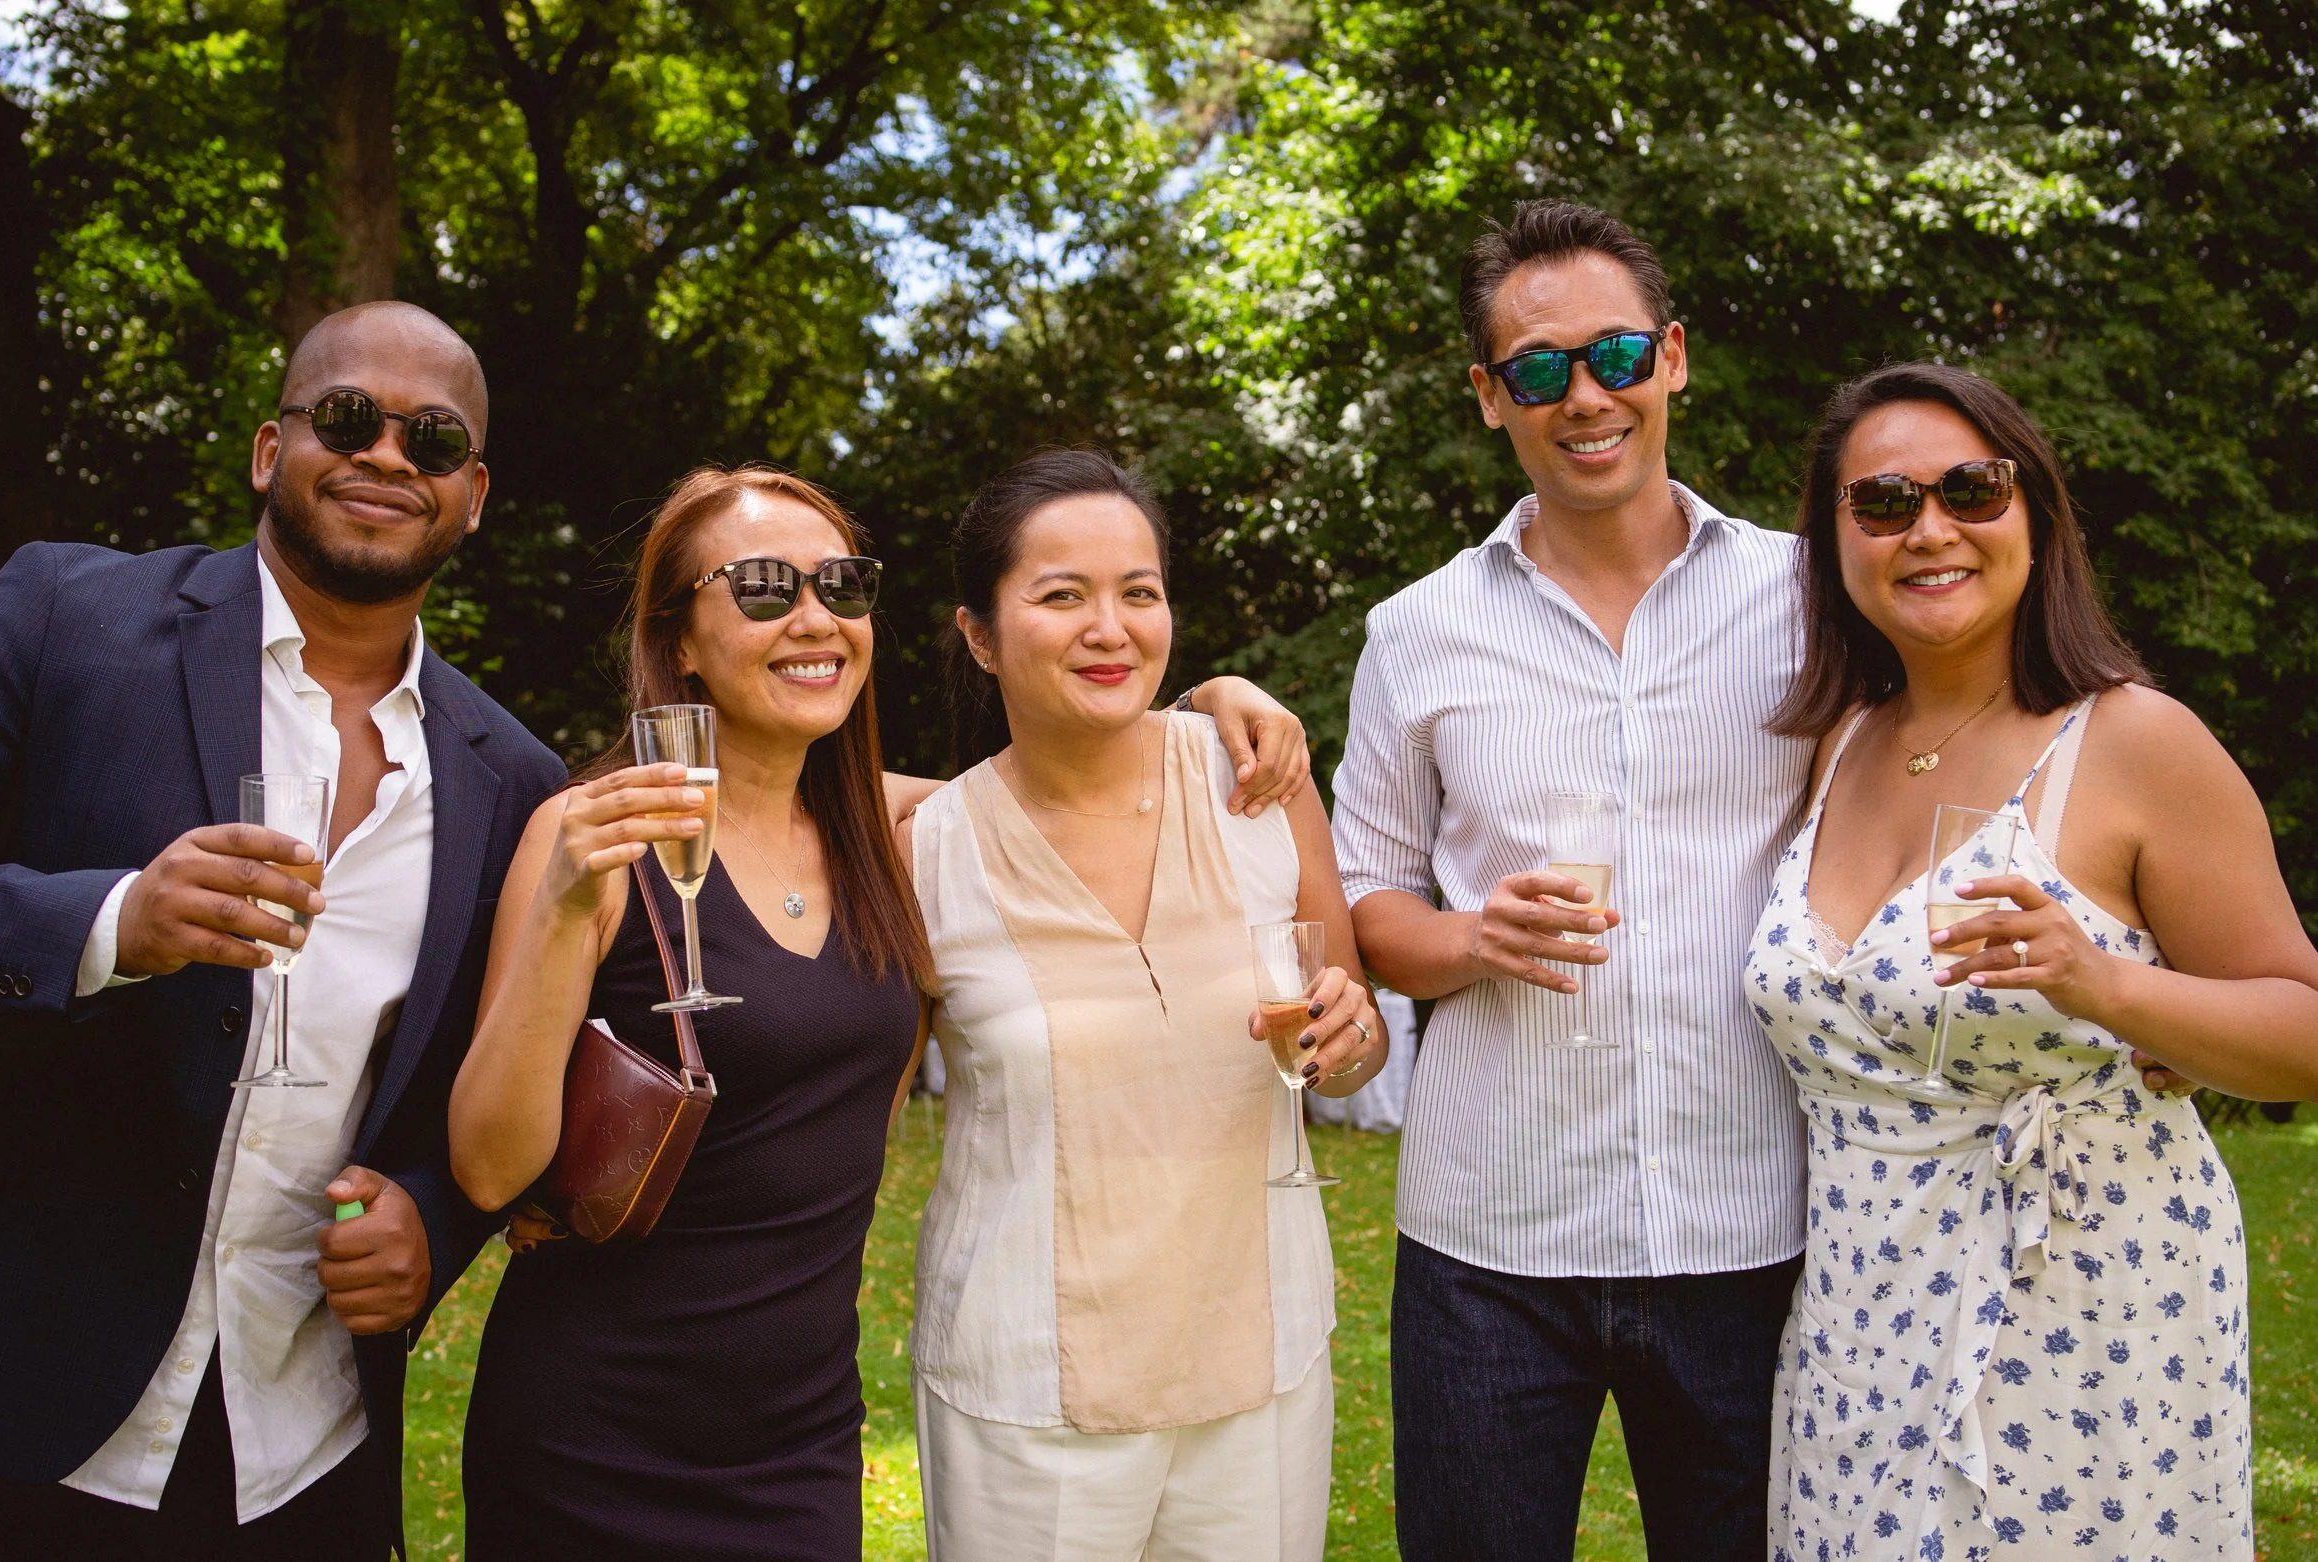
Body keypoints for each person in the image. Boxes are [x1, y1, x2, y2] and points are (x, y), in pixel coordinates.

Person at [446, 463, 1312, 1560]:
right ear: (679, 642)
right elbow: (487, 1166)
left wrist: (1206, 699)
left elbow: (1065, 773)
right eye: (763, 587)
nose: (815, 618)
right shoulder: (592, 837)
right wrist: (566, 913)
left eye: (841, 586)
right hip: (598, 1427)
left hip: (798, 1433)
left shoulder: (893, 831)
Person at [0, 300, 567, 1559]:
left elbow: (493, 1067)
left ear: (473, 492)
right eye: (347, 417)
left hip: (299, 1444)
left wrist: (436, 1219)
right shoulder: (64, 612)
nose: (387, 454)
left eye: (432, 440)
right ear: (273, 450)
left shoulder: (515, 777)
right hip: (2, 1402)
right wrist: (112, 920)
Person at [1748, 361, 2318, 1556]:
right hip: (1859, 1311)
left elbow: (2301, 1030)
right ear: (1835, 541)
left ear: (2033, 512)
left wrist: (2108, 984)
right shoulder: (1841, 742)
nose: (1931, 528)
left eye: (1971, 487)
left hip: (2087, 1303)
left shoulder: (2134, 741)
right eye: (1885, 502)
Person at [1331, 200, 1814, 1559]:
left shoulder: (1809, 598)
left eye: (1613, 354)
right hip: (1492, 1240)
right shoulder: (1415, 631)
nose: (1584, 395)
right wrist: (1470, 936)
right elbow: (1367, 901)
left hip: (1753, 1218)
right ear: (1492, 398)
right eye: (1539, 369)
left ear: (1673, 357)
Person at [904, 449, 1387, 1561]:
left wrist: (1349, 1037)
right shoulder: (924, 852)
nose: (1108, 626)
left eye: (1138, 591)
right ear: (979, 634)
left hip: (1256, 1364)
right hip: (1025, 1391)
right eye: (1061, 595)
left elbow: (1343, 1024)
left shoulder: (1258, 782)